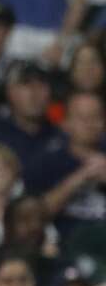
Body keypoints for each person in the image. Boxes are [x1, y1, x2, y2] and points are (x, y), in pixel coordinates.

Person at [26, 92, 106, 234]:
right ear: (65, 123)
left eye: (96, 117)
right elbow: (36, 214)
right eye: (82, 118)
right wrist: (81, 176)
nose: (90, 124)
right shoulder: (46, 162)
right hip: (65, 245)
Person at [0, 61, 63, 174]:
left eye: (41, 84)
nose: (35, 93)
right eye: (26, 84)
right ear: (9, 92)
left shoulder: (61, 134)